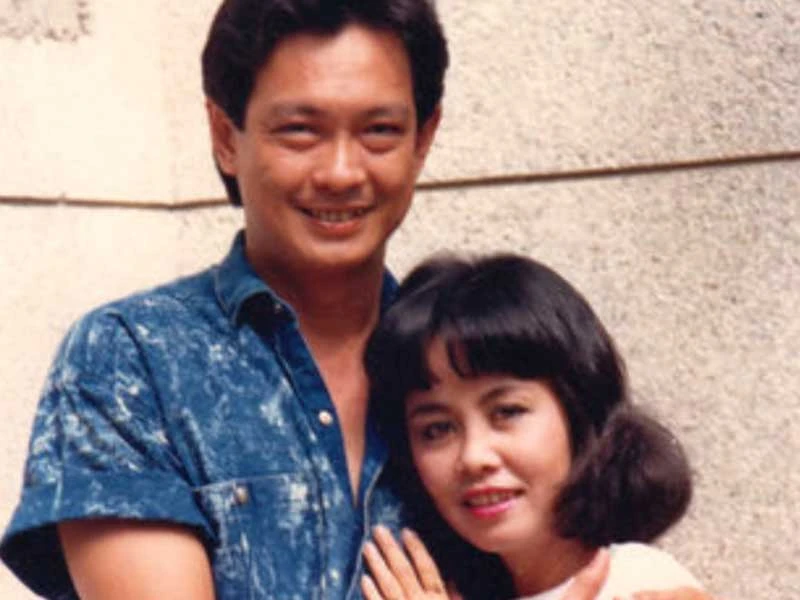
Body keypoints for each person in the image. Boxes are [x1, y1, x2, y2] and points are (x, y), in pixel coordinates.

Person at [0, 1, 711, 598]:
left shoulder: (460, 362)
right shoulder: (134, 360)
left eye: (379, 131)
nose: (342, 172)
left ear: (423, 139)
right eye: (300, 130)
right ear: (225, 136)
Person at [362, 253, 703, 599]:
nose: (474, 457)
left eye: (507, 412)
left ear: (579, 409)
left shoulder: (642, 583)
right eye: (437, 430)